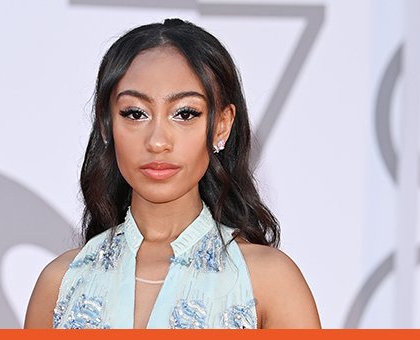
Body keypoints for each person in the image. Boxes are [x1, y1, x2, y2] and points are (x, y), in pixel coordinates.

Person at [24, 18, 320, 329]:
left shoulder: (269, 280)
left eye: (185, 113)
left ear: (222, 124)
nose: (157, 142)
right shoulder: (60, 283)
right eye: (135, 113)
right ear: (106, 124)